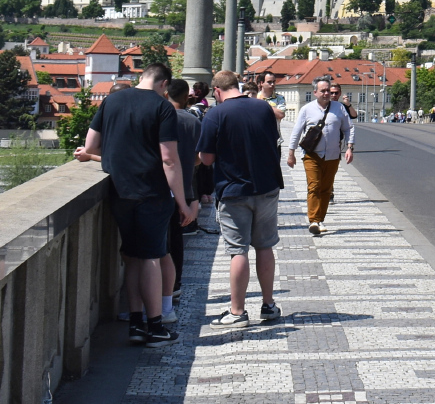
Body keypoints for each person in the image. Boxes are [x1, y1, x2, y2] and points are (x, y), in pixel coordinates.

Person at [74, 62, 194, 348]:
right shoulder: (162, 107)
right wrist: (182, 202)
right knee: (151, 256)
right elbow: (169, 159)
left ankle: (136, 324)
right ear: (164, 84)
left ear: (142, 76)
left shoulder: (112, 100)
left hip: (120, 191)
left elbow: (90, 146)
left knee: (131, 256)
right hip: (151, 192)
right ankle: (156, 327)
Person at [197, 69, 284, 327]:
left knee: (238, 251)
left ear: (217, 91)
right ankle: (268, 305)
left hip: (234, 190)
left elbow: (206, 159)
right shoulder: (263, 108)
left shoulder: (215, 114)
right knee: (265, 246)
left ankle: (237, 312)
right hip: (267, 186)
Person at [288, 76, 354, 236]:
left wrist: (350, 147)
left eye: (328, 90)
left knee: (326, 189)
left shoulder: (339, 108)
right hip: (312, 155)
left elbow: (348, 128)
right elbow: (297, 131)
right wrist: (291, 152)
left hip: (332, 155)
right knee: (314, 186)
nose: (326, 94)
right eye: (323, 91)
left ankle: (319, 219)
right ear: (315, 92)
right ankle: (313, 220)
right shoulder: (307, 109)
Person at [162, 78, 202, 318]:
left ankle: (163, 290)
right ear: (187, 97)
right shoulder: (193, 121)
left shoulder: (161, 119)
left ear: (166, 93)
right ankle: (175, 285)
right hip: (185, 185)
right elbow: (199, 158)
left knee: (161, 242)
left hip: (161, 187)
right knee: (177, 240)